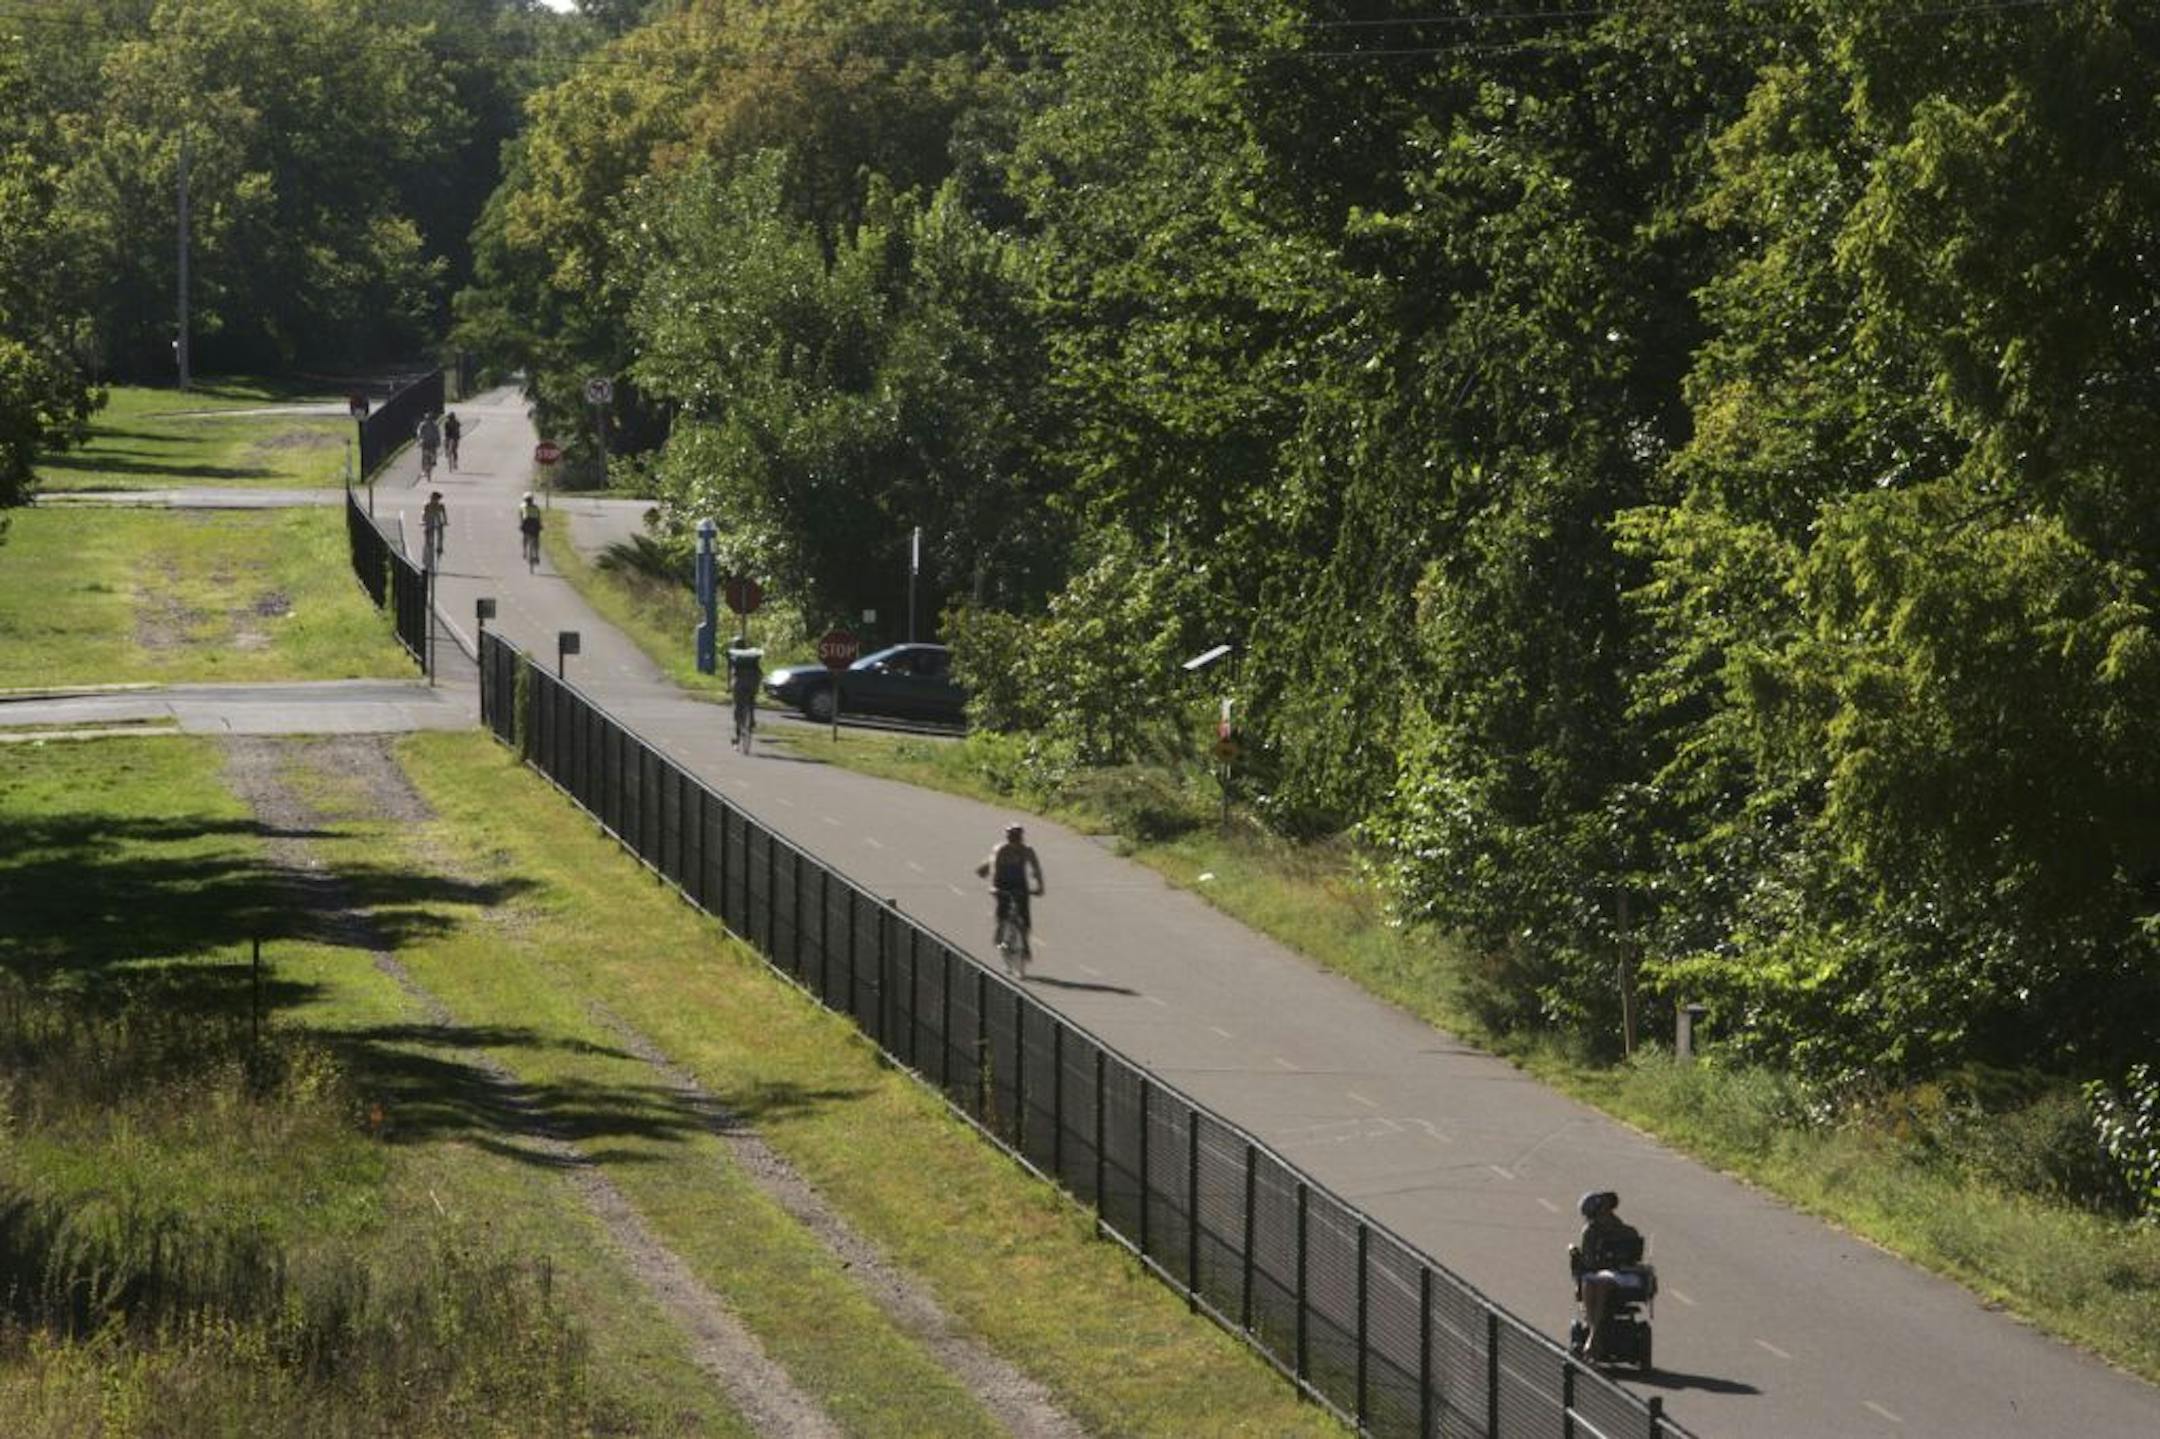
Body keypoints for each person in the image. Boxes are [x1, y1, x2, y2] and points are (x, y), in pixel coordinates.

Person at [1570, 1191, 1648, 1360]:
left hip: (1622, 1276)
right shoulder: (1590, 1232)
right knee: (1591, 1283)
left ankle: (1593, 1338)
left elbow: (1634, 1258)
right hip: (1598, 1276)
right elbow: (1589, 1263)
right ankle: (1594, 1334)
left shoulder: (1627, 1231)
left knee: (1603, 1282)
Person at [975, 823, 1045, 963]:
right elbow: (995, 869)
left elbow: (1036, 869)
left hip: (1020, 884)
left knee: (1025, 918)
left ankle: (1025, 945)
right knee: (1002, 910)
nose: (1014, 840)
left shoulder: (1027, 850)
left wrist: (1040, 886)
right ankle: (1000, 928)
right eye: (1011, 837)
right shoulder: (1000, 850)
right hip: (1002, 882)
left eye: (1016, 837)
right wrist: (994, 887)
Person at [726, 641, 763, 748]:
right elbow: (759, 671)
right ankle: (751, 718)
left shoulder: (733, 655)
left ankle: (737, 738)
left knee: (738, 707)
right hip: (753, 681)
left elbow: (730, 672)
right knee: (751, 700)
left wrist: (728, 687)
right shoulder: (751, 656)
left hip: (739, 683)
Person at [420, 490, 448, 567]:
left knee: (440, 533)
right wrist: (422, 521)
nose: (434, 501)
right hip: (429, 522)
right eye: (433, 498)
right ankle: (427, 547)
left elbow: (444, 515)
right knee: (427, 533)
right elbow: (423, 514)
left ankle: (440, 546)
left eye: (436, 499)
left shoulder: (441, 506)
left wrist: (445, 521)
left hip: (438, 522)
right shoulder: (427, 506)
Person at [518, 491, 542, 568]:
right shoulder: (536, 507)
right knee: (536, 539)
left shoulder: (522, 506)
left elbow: (521, 517)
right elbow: (538, 518)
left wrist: (521, 524)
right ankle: (536, 555)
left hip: (527, 523)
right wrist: (540, 525)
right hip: (534, 523)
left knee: (525, 536)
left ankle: (525, 551)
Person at [416, 412, 441, 478]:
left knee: (434, 451)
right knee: (424, 455)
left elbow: (437, 433)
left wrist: (438, 441)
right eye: (427, 419)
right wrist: (419, 440)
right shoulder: (422, 425)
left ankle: (434, 460)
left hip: (432, 441)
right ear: (425, 419)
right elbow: (419, 432)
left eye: (429, 419)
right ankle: (424, 469)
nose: (428, 420)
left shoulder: (434, 425)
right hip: (425, 441)